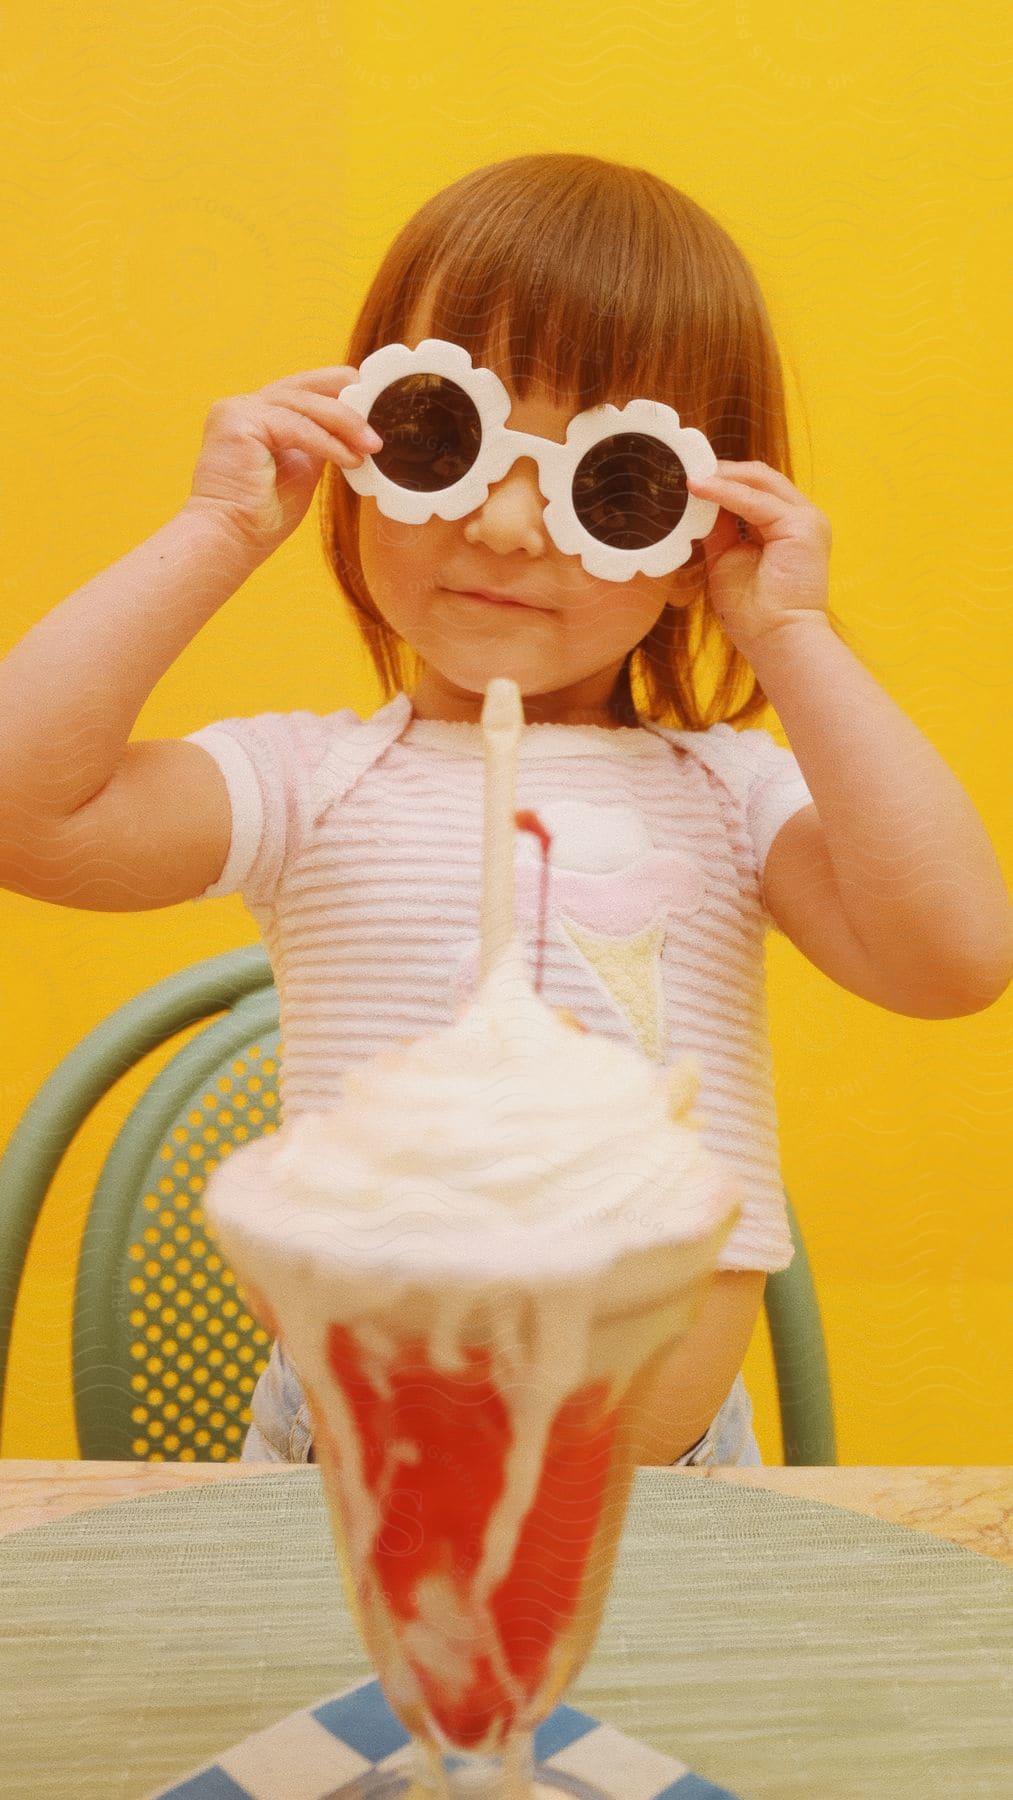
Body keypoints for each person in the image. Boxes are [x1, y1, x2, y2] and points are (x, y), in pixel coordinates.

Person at [2, 154, 1010, 1468]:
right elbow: (27, 804)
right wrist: (213, 531)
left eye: (611, 478)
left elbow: (954, 958)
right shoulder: (315, 785)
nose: (509, 520)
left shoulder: (727, 796)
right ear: (359, 451)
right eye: (442, 437)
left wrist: (793, 636)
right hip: (351, 1466)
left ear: (700, 523)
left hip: (674, 1488)